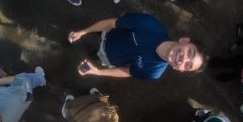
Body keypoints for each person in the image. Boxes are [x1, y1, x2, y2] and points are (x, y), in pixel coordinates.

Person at [68, 13, 205, 80]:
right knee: (101, 32)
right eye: (190, 53)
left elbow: (127, 71)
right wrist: (84, 32)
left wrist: (98, 72)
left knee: (98, 56)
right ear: (185, 40)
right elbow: (111, 23)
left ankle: (97, 56)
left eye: (188, 65)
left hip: (109, 59)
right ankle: (95, 36)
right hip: (109, 33)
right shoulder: (149, 25)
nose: (183, 59)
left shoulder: (153, 73)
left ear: (179, 69)